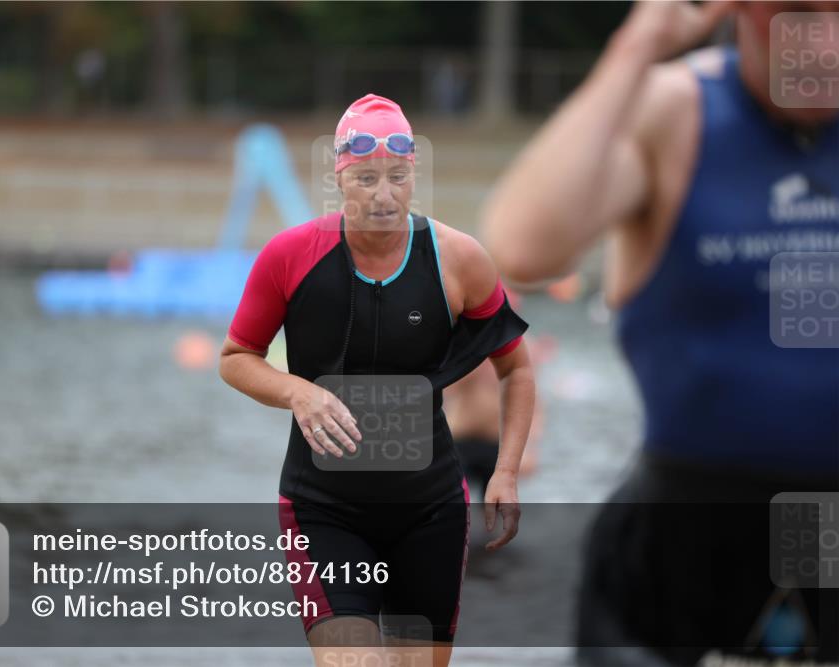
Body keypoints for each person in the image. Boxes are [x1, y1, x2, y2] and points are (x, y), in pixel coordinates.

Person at [480, 1, 838, 665]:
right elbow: (523, 246)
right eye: (799, 12)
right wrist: (637, 46)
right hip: (687, 542)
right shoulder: (677, 111)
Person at [220, 93, 535, 667]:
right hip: (323, 508)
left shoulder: (458, 259)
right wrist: (299, 391)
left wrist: (507, 472)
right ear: (341, 177)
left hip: (431, 507)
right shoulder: (290, 256)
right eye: (366, 177)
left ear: (413, 175)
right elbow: (236, 356)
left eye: (397, 176)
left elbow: (515, 368)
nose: (383, 194)